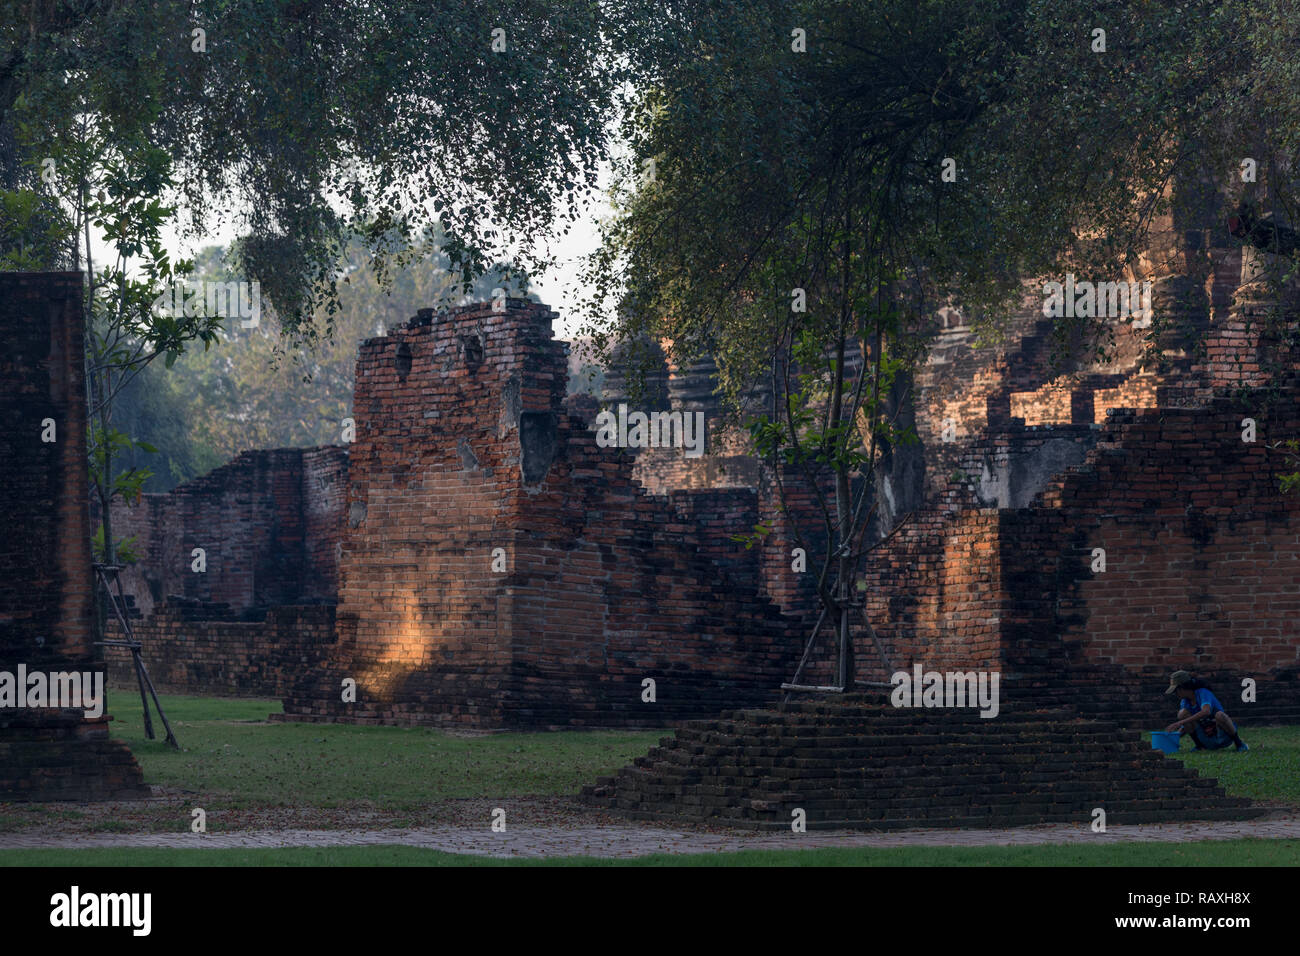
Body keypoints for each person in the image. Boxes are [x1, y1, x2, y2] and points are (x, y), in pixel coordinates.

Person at [1165, 671, 1248, 752]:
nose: (1175, 694)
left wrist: (1179, 723)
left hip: (1222, 735)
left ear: (1182, 688)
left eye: (1175, 691)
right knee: (1182, 713)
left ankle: (1239, 744)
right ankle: (1199, 746)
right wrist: (1172, 737)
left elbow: (1206, 711)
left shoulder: (1203, 693)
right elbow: (1186, 725)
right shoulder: (1185, 702)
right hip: (1206, 738)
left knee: (1219, 715)